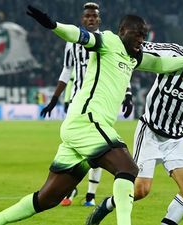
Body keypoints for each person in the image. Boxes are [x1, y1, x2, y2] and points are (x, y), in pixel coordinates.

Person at [0, 5, 183, 225]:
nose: (142, 40)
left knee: (47, 198)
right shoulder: (108, 41)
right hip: (87, 122)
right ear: (124, 31)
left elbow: (161, 64)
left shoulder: (133, 57)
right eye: (138, 35)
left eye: (144, 36)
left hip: (82, 130)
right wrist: (53, 25)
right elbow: (79, 36)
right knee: (127, 168)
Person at [86, 26, 183, 225]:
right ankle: (107, 205)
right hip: (150, 131)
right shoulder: (172, 52)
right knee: (141, 190)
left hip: (176, 137)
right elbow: (135, 48)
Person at [39, 2, 130, 207]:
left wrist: (128, 94)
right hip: (78, 101)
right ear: (82, 19)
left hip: (100, 102)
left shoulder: (109, 42)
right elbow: (67, 71)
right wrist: (56, 99)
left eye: (94, 16)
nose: (90, 18)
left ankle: (90, 195)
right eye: (87, 16)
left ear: (99, 19)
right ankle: (70, 185)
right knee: (81, 146)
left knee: (99, 146)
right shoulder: (72, 42)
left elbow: (122, 68)